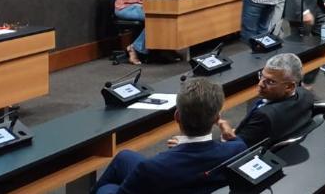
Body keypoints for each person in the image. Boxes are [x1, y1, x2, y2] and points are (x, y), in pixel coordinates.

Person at [93, 78, 247, 194]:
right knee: (124, 157)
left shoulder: (152, 167)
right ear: (217, 118)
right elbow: (237, 145)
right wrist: (231, 135)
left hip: (166, 182)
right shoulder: (237, 149)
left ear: (177, 116)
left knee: (107, 188)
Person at [216, 53, 313, 148]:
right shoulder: (306, 94)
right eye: (262, 76)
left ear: (289, 87)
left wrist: (227, 135)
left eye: (270, 81)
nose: (260, 84)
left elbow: (237, 147)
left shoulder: (264, 116)